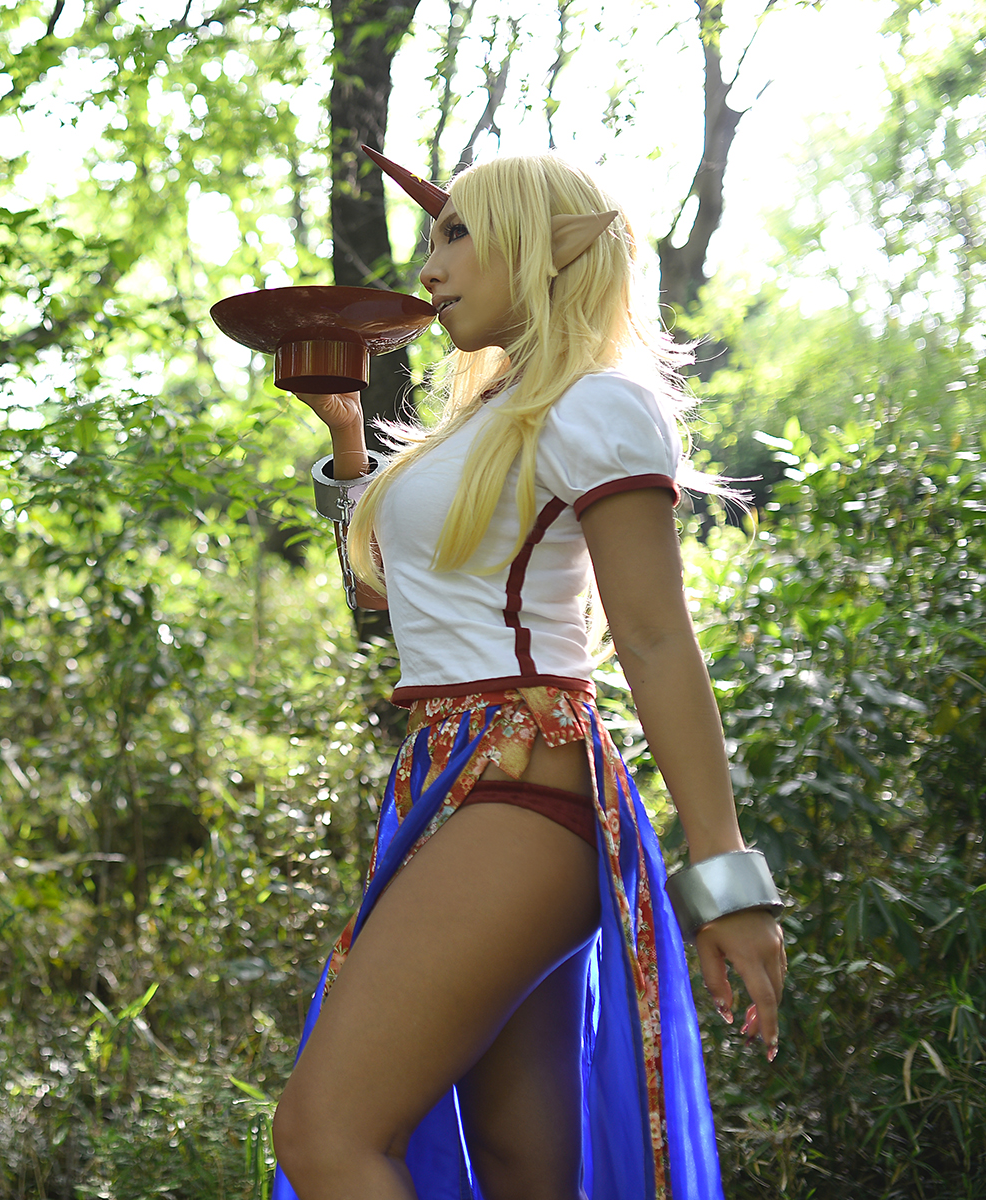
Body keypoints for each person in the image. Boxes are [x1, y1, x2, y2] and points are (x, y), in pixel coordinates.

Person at [266, 152, 789, 1200]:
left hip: (521, 786)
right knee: (524, 1170)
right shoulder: (486, 417)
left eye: (458, 235)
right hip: (453, 783)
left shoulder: (595, 407)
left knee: (324, 1138)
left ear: (547, 247)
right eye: (433, 240)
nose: (430, 269)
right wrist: (348, 438)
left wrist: (727, 882)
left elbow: (654, 640)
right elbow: (394, 598)